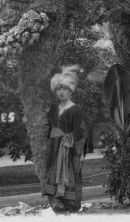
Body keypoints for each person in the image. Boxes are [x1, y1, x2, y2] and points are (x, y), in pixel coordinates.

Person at [42, 65, 87, 213]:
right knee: (52, 174)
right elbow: (48, 127)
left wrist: (78, 151)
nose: (61, 92)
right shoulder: (53, 109)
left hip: (70, 149)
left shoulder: (76, 110)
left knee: (71, 175)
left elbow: (82, 131)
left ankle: (71, 205)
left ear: (70, 91)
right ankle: (57, 204)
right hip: (53, 148)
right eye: (58, 89)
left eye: (65, 89)